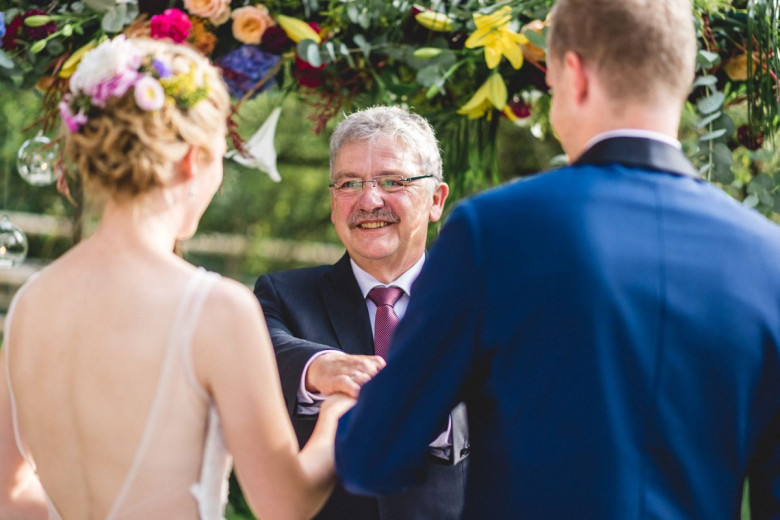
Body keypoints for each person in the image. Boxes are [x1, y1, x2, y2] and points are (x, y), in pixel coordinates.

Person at [334, 0, 780, 518]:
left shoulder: (495, 231)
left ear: (574, 74)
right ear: (682, 76)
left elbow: (374, 455)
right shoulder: (768, 259)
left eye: (549, 87)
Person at [0, 36, 353, 520]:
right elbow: (285, 504)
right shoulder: (215, 309)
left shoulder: (30, 301)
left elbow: (9, 495)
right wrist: (335, 415)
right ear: (193, 160)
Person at [254, 106, 469, 520]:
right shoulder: (283, 296)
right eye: (349, 183)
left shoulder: (480, 301)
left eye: (392, 181)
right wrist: (321, 366)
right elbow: (258, 348)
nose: (369, 201)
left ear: (436, 200)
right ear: (333, 202)